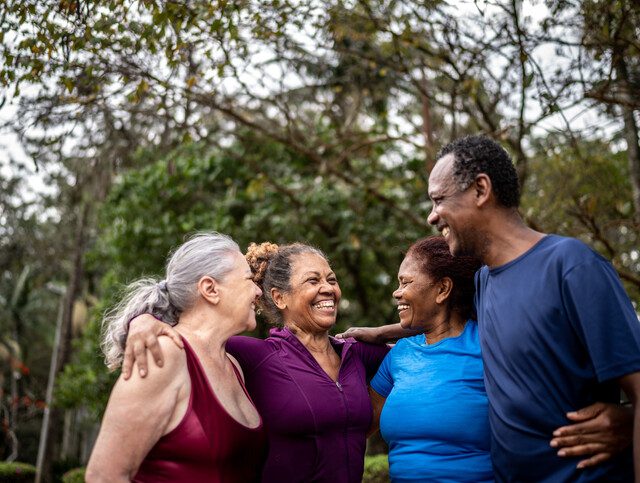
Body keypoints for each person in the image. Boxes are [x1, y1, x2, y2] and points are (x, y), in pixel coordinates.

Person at [426, 135, 640, 481]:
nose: (432, 216)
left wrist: (629, 420)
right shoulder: (484, 282)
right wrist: (377, 334)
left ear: (481, 190)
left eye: (439, 200)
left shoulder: (571, 266)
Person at [124, 242, 390, 483]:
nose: (328, 288)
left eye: (331, 279)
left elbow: (424, 344)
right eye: (312, 280)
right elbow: (193, 331)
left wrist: (385, 332)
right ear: (279, 297)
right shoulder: (256, 356)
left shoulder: (358, 353)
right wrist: (143, 320)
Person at [85, 233, 267, 482]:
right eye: (249, 279)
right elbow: (103, 477)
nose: (258, 291)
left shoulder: (234, 365)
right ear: (210, 289)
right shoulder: (163, 357)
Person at [368, 236, 492, 482]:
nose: (397, 292)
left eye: (405, 283)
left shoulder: (490, 347)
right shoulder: (400, 354)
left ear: (442, 289)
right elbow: (356, 427)